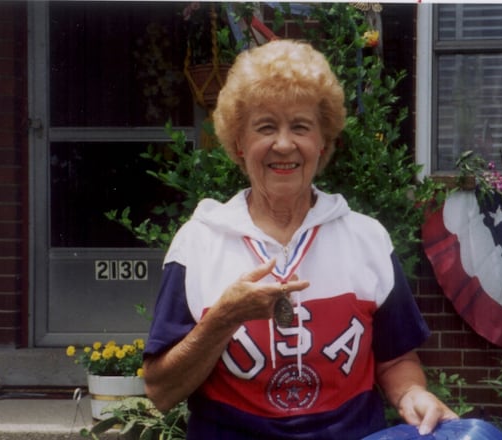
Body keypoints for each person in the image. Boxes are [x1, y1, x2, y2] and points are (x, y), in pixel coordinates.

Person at [142, 39, 458, 439]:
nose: (284, 144)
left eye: (301, 127)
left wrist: (412, 392)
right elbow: (160, 391)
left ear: (322, 142)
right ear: (239, 143)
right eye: (266, 127)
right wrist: (223, 319)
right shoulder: (199, 243)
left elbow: (395, 358)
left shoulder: (366, 237)